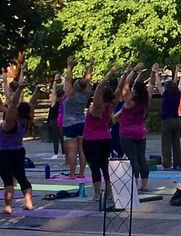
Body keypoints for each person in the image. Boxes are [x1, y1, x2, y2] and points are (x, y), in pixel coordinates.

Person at [0, 74, 35, 214]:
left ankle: (8, 207)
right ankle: (29, 203)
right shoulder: (26, 122)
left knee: (8, 180)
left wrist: (19, 90)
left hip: (4, 153)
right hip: (19, 151)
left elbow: (12, 104)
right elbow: (30, 105)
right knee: (21, 177)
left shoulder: (10, 123)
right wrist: (29, 91)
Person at [116, 65, 153, 193]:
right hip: (141, 132)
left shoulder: (129, 101)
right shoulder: (145, 100)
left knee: (132, 158)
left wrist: (133, 70)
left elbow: (125, 84)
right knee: (141, 158)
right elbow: (152, 84)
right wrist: (153, 72)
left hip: (127, 133)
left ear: (135, 91)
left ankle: (134, 184)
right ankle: (145, 185)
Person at [83, 68, 117, 206]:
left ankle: (97, 194)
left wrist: (110, 73)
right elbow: (121, 87)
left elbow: (99, 87)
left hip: (91, 140)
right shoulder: (110, 105)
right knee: (105, 166)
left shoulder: (98, 106)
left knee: (95, 167)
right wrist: (128, 73)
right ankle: (109, 192)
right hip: (105, 139)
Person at [61, 55, 93, 179]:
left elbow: (68, 79)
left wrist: (69, 66)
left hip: (69, 124)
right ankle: (82, 173)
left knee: (72, 151)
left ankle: (72, 174)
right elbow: (87, 81)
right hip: (82, 123)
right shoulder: (86, 95)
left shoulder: (70, 95)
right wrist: (90, 66)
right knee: (82, 150)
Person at [159, 66, 181, 170]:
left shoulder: (166, 95)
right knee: (176, 143)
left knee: (166, 143)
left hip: (167, 120)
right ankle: (178, 163)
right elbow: (178, 84)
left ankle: (167, 163)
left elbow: (157, 84)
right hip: (177, 119)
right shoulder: (177, 94)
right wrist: (178, 72)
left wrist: (156, 73)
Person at [46, 75, 64, 161]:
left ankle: (57, 153)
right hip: (58, 121)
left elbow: (53, 92)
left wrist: (54, 83)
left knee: (56, 138)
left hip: (54, 121)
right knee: (61, 138)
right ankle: (63, 152)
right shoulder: (63, 102)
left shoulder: (56, 102)